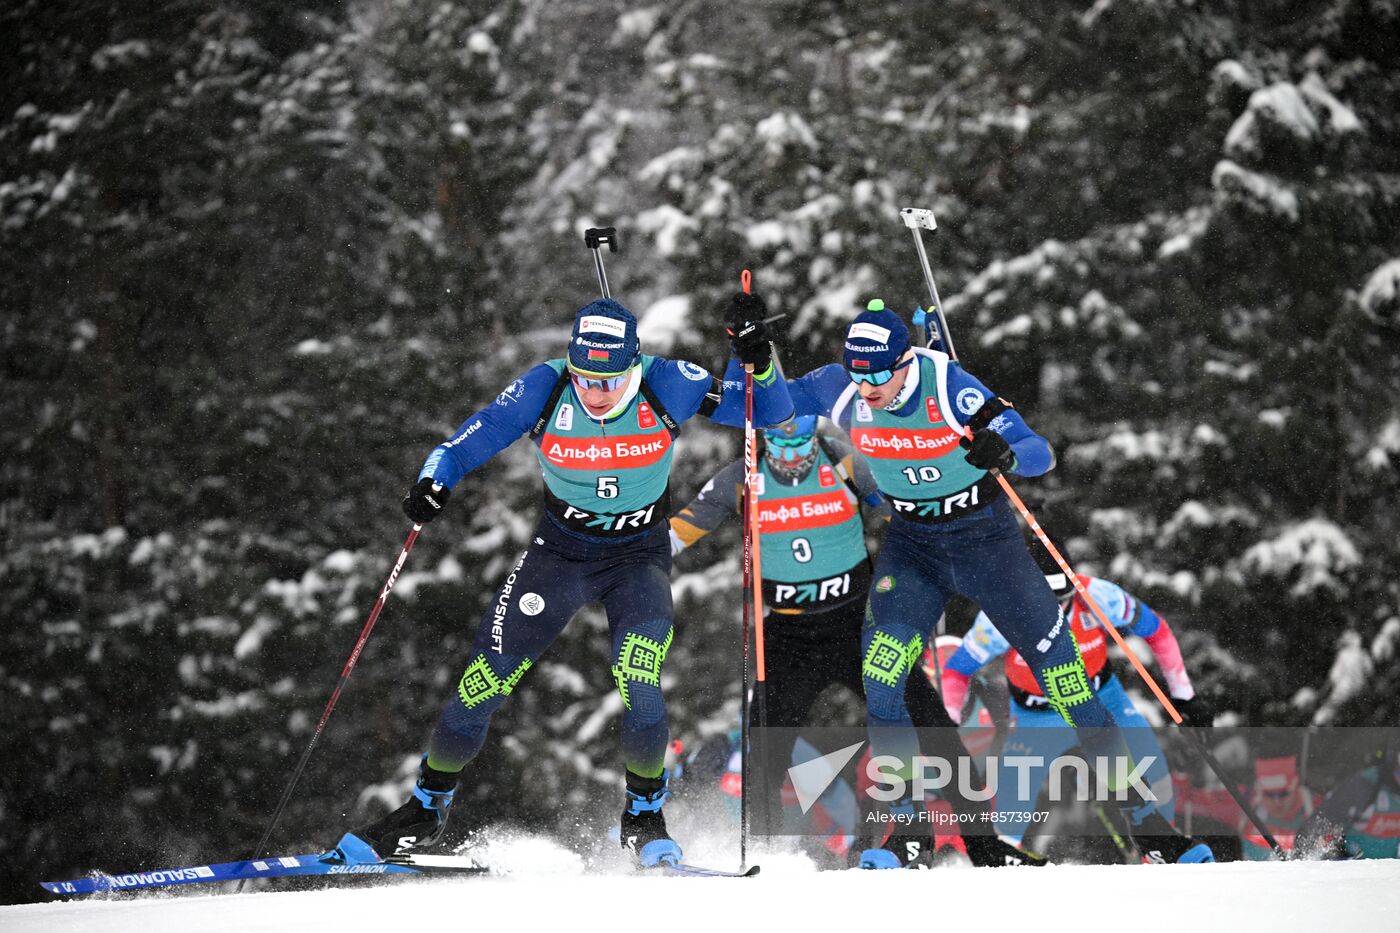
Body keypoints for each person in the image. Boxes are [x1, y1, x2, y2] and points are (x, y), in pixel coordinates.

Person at [330, 294, 792, 869]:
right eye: (584, 377)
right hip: (560, 556)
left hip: (636, 559)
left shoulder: (670, 383)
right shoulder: (544, 388)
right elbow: (464, 444)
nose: (594, 392)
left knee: (638, 678)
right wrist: (433, 482)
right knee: (483, 681)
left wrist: (755, 357)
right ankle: (426, 808)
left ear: (632, 364)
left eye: (607, 378)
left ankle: (644, 815)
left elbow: (768, 412)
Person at [772, 296, 1214, 867]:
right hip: (914, 548)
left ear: (907, 361)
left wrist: (1003, 452)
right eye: (860, 374)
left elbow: (1039, 451)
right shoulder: (842, 387)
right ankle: (904, 831)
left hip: (986, 543)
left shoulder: (954, 387)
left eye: (880, 373)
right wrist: (755, 356)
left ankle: (1149, 829)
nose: (869, 386)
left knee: (1070, 684)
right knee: (882, 674)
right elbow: (758, 402)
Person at [669, 414, 1041, 868]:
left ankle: (984, 845)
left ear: (815, 438)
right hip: (790, 636)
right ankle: (767, 852)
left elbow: (907, 505)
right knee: (765, 747)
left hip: (858, 626)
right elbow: (684, 526)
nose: (791, 460)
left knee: (932, 726)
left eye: (800, 447)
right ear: (762, 441)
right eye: (779, 448)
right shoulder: (743, 476)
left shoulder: (842, 460)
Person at [937, 542, 1214, 852]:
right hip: (1037, 716)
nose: (1057, 612)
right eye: (1046, 602)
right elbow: (956, 670)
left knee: (1152, 768)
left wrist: (1184, 696)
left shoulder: (1097, 596)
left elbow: (1156, 631)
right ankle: (996, 866)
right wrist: (947, 718)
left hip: (1101, 698)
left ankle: (1161, 850)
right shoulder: (1002, 614)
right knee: (1010, 808)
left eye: (1064, 600)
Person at [1298, 743, 1400, 860]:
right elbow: (1321, 819)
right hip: (1350, 865)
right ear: (1392, 767)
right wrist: (1303, 855)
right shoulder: (1365, 785)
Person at [1239, 756, 1317, 860]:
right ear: (1259, 792)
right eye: (1269, 795)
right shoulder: (1247, 819)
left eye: (1283, 794)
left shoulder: (1320, 808)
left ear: (1296, 787)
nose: (1277, 802)